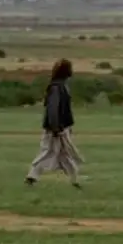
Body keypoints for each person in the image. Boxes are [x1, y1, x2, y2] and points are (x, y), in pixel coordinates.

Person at [25, 58, 84, 188]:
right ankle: (32, 176)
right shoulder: (57, 88)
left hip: (61, 127)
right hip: (56, 128)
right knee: (48, 151)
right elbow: (53, 108)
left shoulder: (59, 86)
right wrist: (55, 127)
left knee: (64, 153)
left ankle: (75, 180)